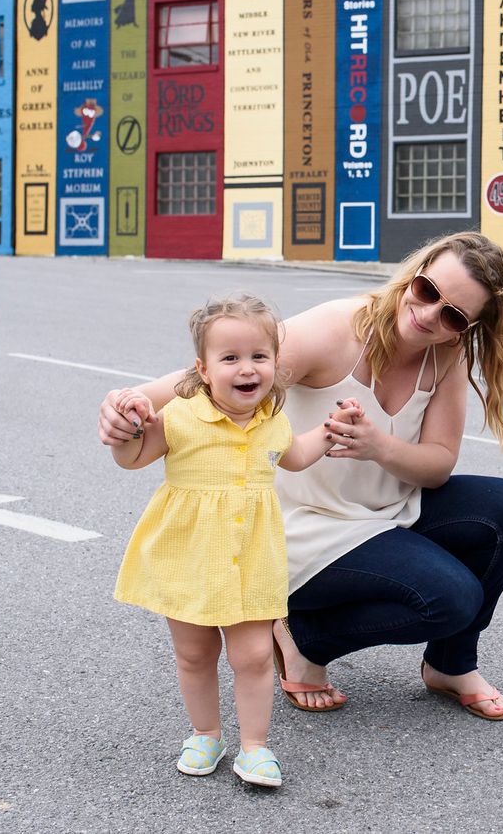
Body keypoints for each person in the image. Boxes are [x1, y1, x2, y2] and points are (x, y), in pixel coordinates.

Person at [100, 232, 503, 724]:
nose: (430, 314)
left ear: (469, 326)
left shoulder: (447, 354)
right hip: (304, 526)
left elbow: (437, 465)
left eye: (453, 315)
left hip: (385, 513)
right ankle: (306, 639)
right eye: (427, 290)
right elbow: (215, 374)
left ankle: (450, 665)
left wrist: (379, 446)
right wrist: (129, 403)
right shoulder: (338, 329)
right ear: (414, 274)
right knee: (451, 598)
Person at [110, 294, 339, 787]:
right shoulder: (178, 415)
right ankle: (205, 734)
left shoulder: (273, 420)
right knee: (195, 654)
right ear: (203, 369)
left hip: (252, 559)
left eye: (259, 356)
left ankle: (254, 747)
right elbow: (132, 459)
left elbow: (296, 456)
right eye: (230, 357)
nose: (247, 368)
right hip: (188, 557)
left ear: (275, 363)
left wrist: (330, 431)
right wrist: (128, 430)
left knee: (253, 656)